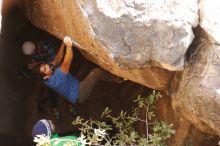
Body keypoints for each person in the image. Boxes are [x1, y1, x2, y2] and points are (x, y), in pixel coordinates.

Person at [34, 36, 111, 105]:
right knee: (96, 73)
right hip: (79, 94)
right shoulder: (56, 80)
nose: (47, 66)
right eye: (45, 68)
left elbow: (57, 59)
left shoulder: (47, 73)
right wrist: (69, 46)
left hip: (73, 82)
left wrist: (63, 45)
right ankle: (116, 79)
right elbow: (66, 63)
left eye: (44, 65)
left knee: (87, 64)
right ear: (46, 77)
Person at [22, 38, 63, 120]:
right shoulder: (33, 53)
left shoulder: (45, 46)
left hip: (56, 66)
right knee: (44, 82)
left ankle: (55, 105)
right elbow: (38, 61)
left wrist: (39, 64)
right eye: (30, 55)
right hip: (45, 68)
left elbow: (55, 61)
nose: (32, 55)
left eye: (32, 53)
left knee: (52, 85)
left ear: (35, 48)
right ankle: (45, 99)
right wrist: (34, 64)